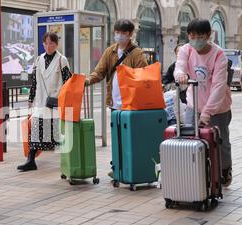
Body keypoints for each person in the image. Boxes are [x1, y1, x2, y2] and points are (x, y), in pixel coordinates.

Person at [84, 19, 148, 178]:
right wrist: (87, 81)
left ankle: (131, 167)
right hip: (114, 103)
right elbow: (99, 72)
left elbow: (143, 76)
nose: (120, 36)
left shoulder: (137, 53)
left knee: (131, 138)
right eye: (117, 32)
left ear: (130, 34)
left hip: (131, 105)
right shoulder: (110, 51)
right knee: (117, 137)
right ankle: (117, 167)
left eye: (124, 33)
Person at [174, 18, 233, 187]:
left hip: (218, 108)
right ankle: (197, 173)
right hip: (194, 105)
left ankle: (224, 170)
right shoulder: (186, 49)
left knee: (219, 141)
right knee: (191, 139)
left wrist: (207, 113)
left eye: (200, 36)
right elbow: (180, 66)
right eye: (192, 36)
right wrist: (180, 75)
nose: (196, 40)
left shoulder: (219, 55)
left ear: (208, 35)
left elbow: (219, 86)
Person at [17, 32, 72, 172]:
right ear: (43, 44)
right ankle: (30, 160)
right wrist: (30, 98)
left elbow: (68, 82)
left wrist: (65, 100)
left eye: (51, 43)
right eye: (46, 43)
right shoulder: (38, 59)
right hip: (41, 101)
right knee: (35, 130)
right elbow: (34, 81)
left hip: (55, 102)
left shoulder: (62, 60)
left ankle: (69, 161)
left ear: (56, 44)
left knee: (57, 134)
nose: (48, 46)